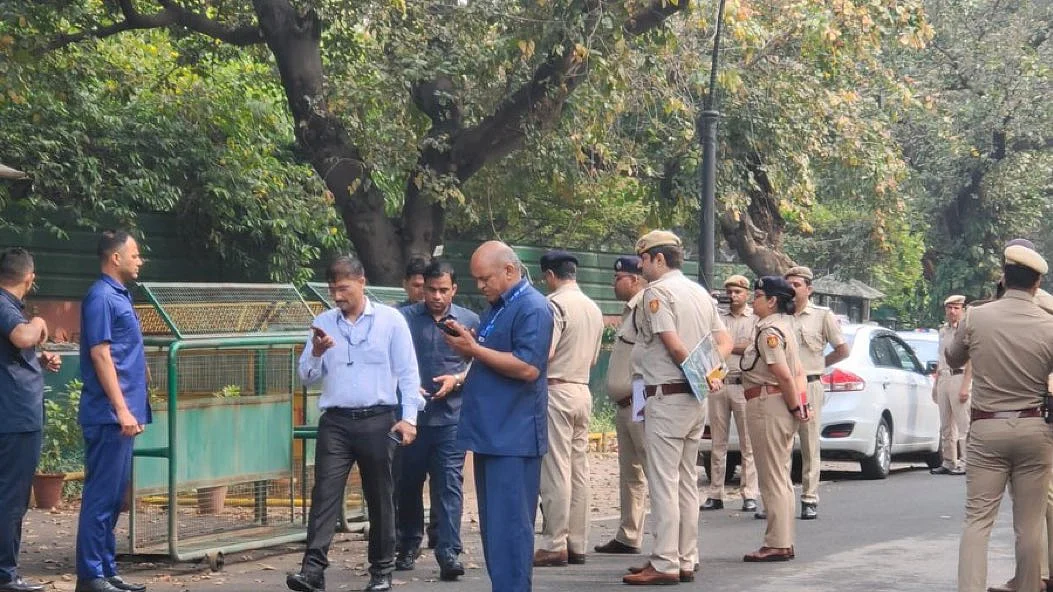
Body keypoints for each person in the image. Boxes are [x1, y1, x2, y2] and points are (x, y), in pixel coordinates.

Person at [286, 256, 424, 592]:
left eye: (343, 288)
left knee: (379, 497)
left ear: (361, 282)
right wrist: (316, 351)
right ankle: (313, 571)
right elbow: (305, 377)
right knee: (324, 495)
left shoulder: (391, 321)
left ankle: (381, 571)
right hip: (336, 422)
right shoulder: (323, 322)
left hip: (379, 419)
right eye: (333, 290)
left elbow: (408, 374)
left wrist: (409, 419)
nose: (337, 296)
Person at [441, 241, 553, 592]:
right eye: (476, 280)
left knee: (511, 531)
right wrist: (469, 342)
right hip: (490, 433)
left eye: (485, 278)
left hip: (513, 437)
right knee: (493, 531)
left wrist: (474, 349)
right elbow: (489, 351)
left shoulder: (533, 308)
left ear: (509, 270)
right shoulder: (498, 307)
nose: (481, 286)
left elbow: (528, 368)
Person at [623, 230, 732, 586]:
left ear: (658, 258)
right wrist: (712, 373)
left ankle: (665, 561)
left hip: (667, 395)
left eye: (643, 258)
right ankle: (687, 557)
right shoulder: (699, 292)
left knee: (664, 481)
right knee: (686, 480)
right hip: (694, 396)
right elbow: (723, 340)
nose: (640, 265)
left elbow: (673, 345)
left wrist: (705, 372)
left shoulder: (657, 293)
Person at [949, 243, 1053, 592]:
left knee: (978, 520)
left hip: (986, 427)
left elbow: (952, 357)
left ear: (1004, 277)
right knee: (1029, 524)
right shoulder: (1049, 324)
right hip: (1034, 427)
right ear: (1037, 284)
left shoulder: (976, 316)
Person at [395, 260, 479, 580]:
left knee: (448, 485)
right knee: (408, 484)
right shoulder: (403, 320)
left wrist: (457, 379)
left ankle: (448, 551)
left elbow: (478, 362)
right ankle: (408, 544)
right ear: (422, 287)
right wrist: (402, 385)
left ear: (454, 290)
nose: (437, 296)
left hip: (452, 419)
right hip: (411, 418)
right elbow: (389, 361)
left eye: (444, 290)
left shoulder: (469, 320)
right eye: (431, 290)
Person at [75, 231, 149, 592]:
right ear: (114, 258)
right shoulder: (101, 297)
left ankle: (106, 570)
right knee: (100, 496)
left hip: (124, 413)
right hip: (108, 414)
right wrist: (122, 409)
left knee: (115, 497)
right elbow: (101, 354)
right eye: (134, 254)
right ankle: (90, 575)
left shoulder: (120, 295)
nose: (140, 260)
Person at [534, 251, 603, 568]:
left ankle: (555, 543)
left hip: (556, 388)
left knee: (556, 469)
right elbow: (592, 359)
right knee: (579, 470)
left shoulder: (553, 305)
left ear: (550, 275)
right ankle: (578, 542)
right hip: (582, 388)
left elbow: (544, 353)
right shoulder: (594, 307)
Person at [0, 248, 60, 592]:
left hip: (15, 415)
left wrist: (37, 360)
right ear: (29, 277)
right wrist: (38, 323)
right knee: (11, 497)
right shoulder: (6, 307)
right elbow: (21, 335)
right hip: (14, 419)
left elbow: (13, 354)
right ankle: (5, 575)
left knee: (11, 496)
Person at [739, 276, 808, 562]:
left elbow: (783, 373)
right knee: (779, 475)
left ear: (772, 301)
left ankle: (777, 543)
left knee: (772, 477)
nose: (753, 300)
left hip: (769, 403)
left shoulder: (770, 331)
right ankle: (782, 539)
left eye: (757, 295)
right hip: (777, 402)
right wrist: (799, 406)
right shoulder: (785, 328)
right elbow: (799, 373)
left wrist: (794, 407)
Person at [594, 256, 649, 556]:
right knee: (630, 472)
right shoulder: (629, 311)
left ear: (635, 280)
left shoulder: (645, 309)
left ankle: (672, 543)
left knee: (651, 470)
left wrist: (641, 407)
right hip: (624, 404)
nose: (614, 283)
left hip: (638, 399)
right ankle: (629, 534)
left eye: (619, 278)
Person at [783, 266, 848, 520]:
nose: (792, 289)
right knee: (781, 445)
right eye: (788, 284)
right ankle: (781, 498)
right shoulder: (781, 314)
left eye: (797, 284)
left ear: (809, 289)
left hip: (809, 383)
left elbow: (843, 349)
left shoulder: (822, 316)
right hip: (783, 384)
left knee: (809, 443)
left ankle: (809, 497)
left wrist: (820, 364)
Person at [700, 274, 760, 513]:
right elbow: (709, 343)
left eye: (738, 292)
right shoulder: (717, 317)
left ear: (747, 294)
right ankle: (716, 492)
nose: (733, 296)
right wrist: (734, 345)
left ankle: (750, 493)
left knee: (748, 442)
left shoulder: (754, 319)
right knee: (718, 441)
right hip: (719, 382)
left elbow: (752, 347)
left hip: (743, 383)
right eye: (730, 292)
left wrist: (725, 345)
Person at [931, 294, 972, 476]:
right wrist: (935, 383)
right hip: (944, 377)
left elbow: (971, 359)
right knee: (946, 424)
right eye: (950, 308)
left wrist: (966, 385)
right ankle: (948, 460)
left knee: (964, 424)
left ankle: (966, 462)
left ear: (963, 309)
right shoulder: (943, 331)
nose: (953, 311)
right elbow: (941, 358)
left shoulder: (966, 330)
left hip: (960, 376)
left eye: (956, 308)